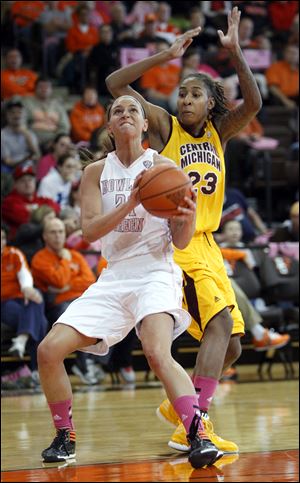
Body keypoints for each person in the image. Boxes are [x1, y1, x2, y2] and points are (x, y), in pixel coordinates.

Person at [106, 6, 262, 454]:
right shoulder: (165, 125)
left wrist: (235, 53)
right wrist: (163, 56)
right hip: (181, 243)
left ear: (210, 103)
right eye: (183, 93)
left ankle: (180, 408)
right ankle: (197, 425)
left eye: (196, 94)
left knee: (231, 344)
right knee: (216, 325)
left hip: (210, 245)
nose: (187, 99)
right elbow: (116, 86)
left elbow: (253, 104)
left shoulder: (219, 133)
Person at [37, 95, 221, 468]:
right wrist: (132, 201)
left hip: (156, 268)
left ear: (143, 125)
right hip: (114, 274)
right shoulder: (95, 173)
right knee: (48, 350)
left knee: (156, 350)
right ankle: (64, 434)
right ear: (109, 126)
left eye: (132, 110)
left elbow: (182, 240)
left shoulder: (166, 168)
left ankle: (196, 431)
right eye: (117, 110)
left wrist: (186, 215)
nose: (125, 114)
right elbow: (89, 231)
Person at [1, 225, 48, 382]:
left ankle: (21, 341)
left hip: (22, 299)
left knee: (36, 296)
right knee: (41, 321)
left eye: (2, 238)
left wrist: (27, 288)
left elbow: (24, 274)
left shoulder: (14, 254)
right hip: (4, 303)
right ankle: (36, 370)